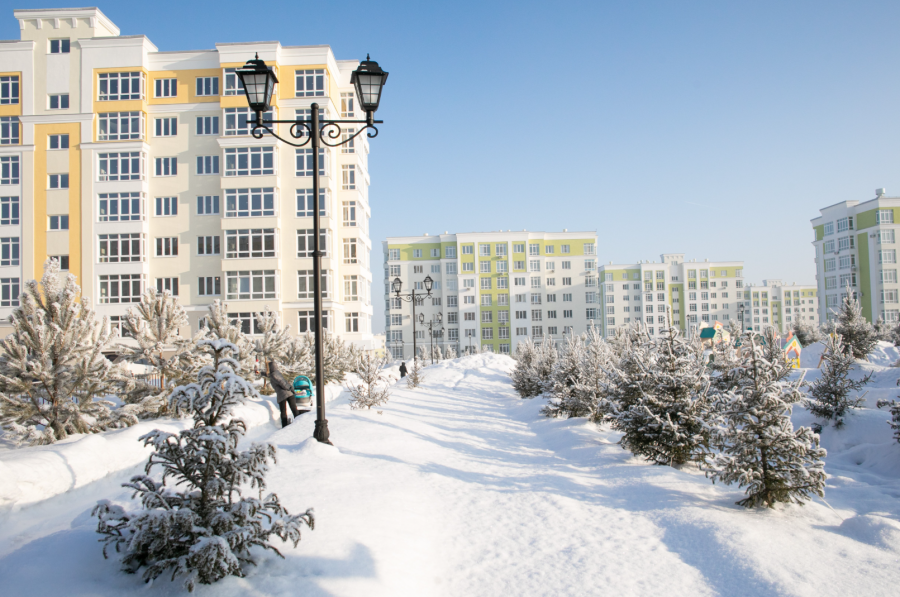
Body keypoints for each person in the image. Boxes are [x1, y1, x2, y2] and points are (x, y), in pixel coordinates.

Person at [267, 361, 300, 428]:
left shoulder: (273, 375)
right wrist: (290, 388)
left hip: (282, 394)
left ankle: (285, 426)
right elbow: (281, 381)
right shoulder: (276, 373)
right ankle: (299, 422)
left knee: (283, 411)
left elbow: (282, 382)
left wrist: (289, 387)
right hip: (289, 393)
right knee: (294, 408)